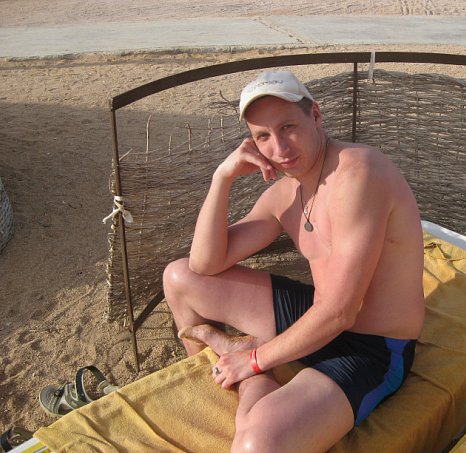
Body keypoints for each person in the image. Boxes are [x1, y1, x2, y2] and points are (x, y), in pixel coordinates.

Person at [163, 70, 425, 453]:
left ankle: (248, 376)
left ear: (315, 115)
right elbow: (204, 264)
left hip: (372, 347)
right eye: (263, 136)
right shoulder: (285, 194)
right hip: (315, 317)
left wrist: (254, 362)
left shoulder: (358, 173)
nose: (280, 148)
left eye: (288, 127)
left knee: (257, 445)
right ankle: (233, 379)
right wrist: (222, 178)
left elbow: (341, 311)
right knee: (179, 278)